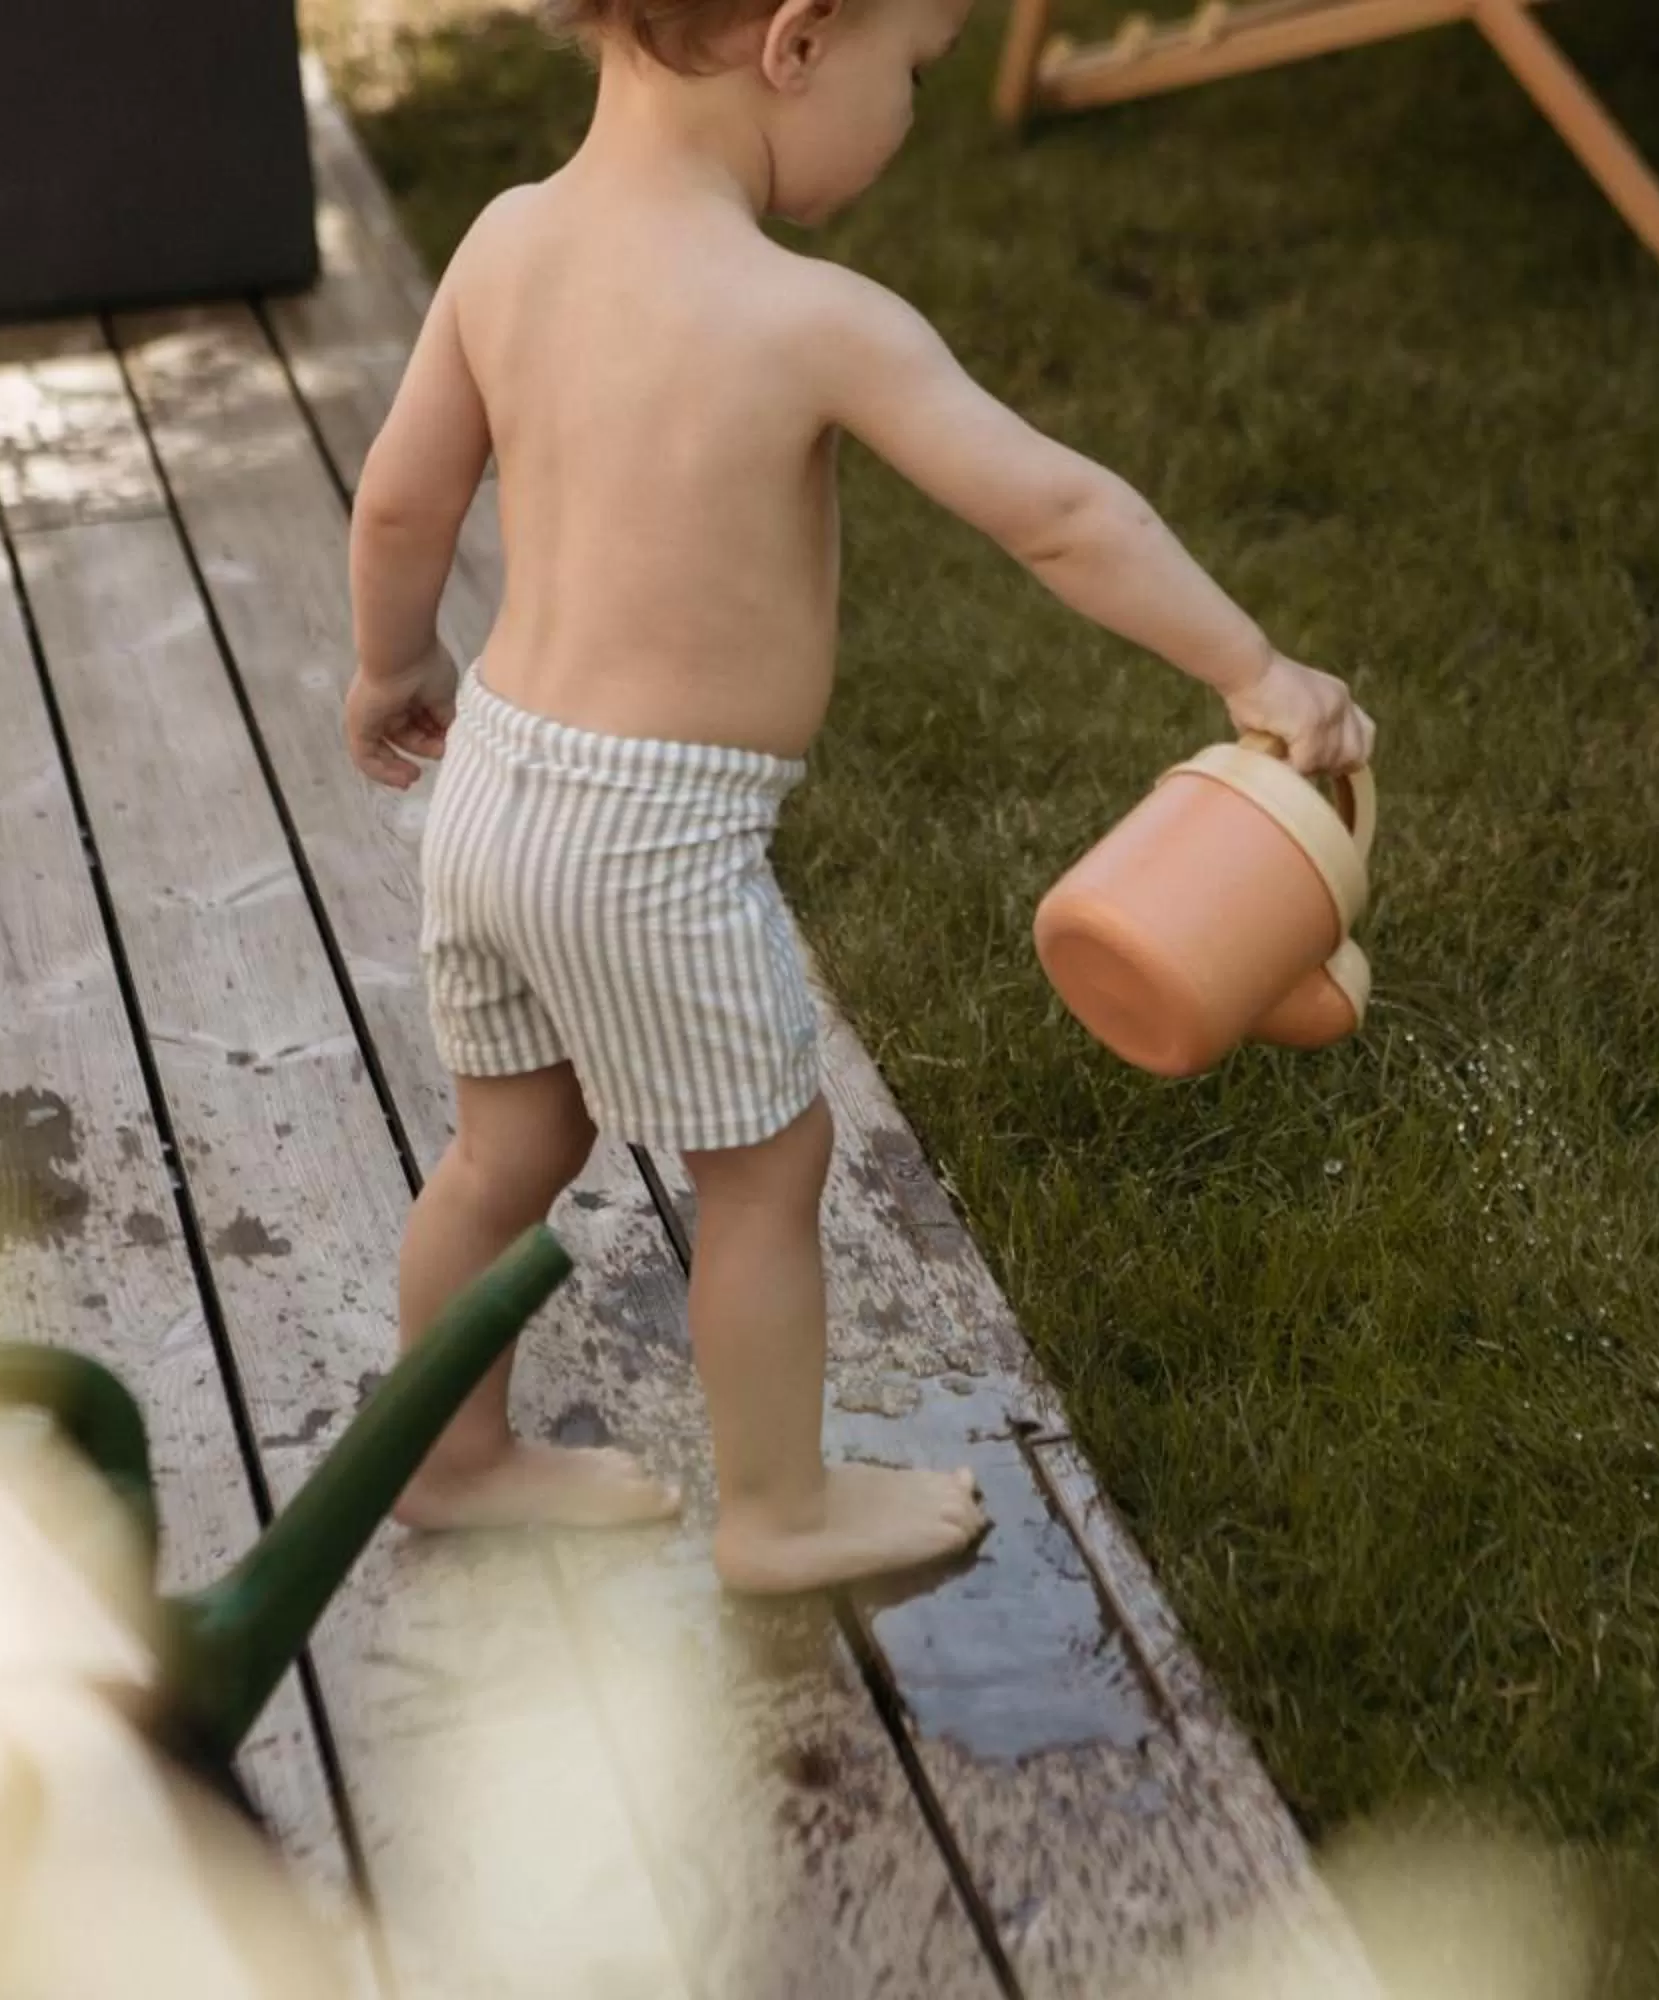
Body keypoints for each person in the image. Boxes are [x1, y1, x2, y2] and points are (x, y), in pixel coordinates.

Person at [343, 0, 1377, 1594]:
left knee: (503, 1153)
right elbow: (1057, 514)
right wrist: (1254, 666)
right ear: (801, 41)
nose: (911, 115)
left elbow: (404, 500)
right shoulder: (809, 318)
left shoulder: (508, 239)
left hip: (491, 784)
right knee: (766, 1171)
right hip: (650, 836)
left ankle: (450, 1456)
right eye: (918, 72)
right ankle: (779, 1511)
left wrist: (389, 663)